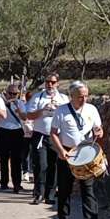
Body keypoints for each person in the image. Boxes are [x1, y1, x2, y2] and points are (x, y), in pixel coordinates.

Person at [50, 81, 103, 219]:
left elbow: (98, 129)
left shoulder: (92, 110)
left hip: (86, 153)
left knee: (88, 189)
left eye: (86, 96)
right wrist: (60, 151)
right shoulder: (61, 111)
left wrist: (99, 133)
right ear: (71, 96)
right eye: (80, 96)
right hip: (67, 152)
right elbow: (53, 132)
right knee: (65, 188)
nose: (84, 99)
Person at [26, 72, 69, 205]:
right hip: (40, 135)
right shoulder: (37, 97)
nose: (50, 84)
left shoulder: (63, 99)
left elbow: (68, 117)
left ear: (57, 83)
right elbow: (29, 115)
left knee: (53, 165)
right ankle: (38, 193)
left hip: (57, 137)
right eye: (47, 82)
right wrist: (42, 110)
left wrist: (57, 110)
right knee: (40, 165)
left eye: (53, 82)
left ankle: (50, 194)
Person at [0, 83, 28, 193]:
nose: (12, 96)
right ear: (6, 93)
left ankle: (17, 184)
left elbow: (24, 118)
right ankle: (4, 182)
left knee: (17, 160)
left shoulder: (20, 103)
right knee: (4, 159)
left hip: (17, 131)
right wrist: (6, 105)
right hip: (3, 131)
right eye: (10, 93)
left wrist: (18, 109)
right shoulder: (1, 103)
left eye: (15, 94)